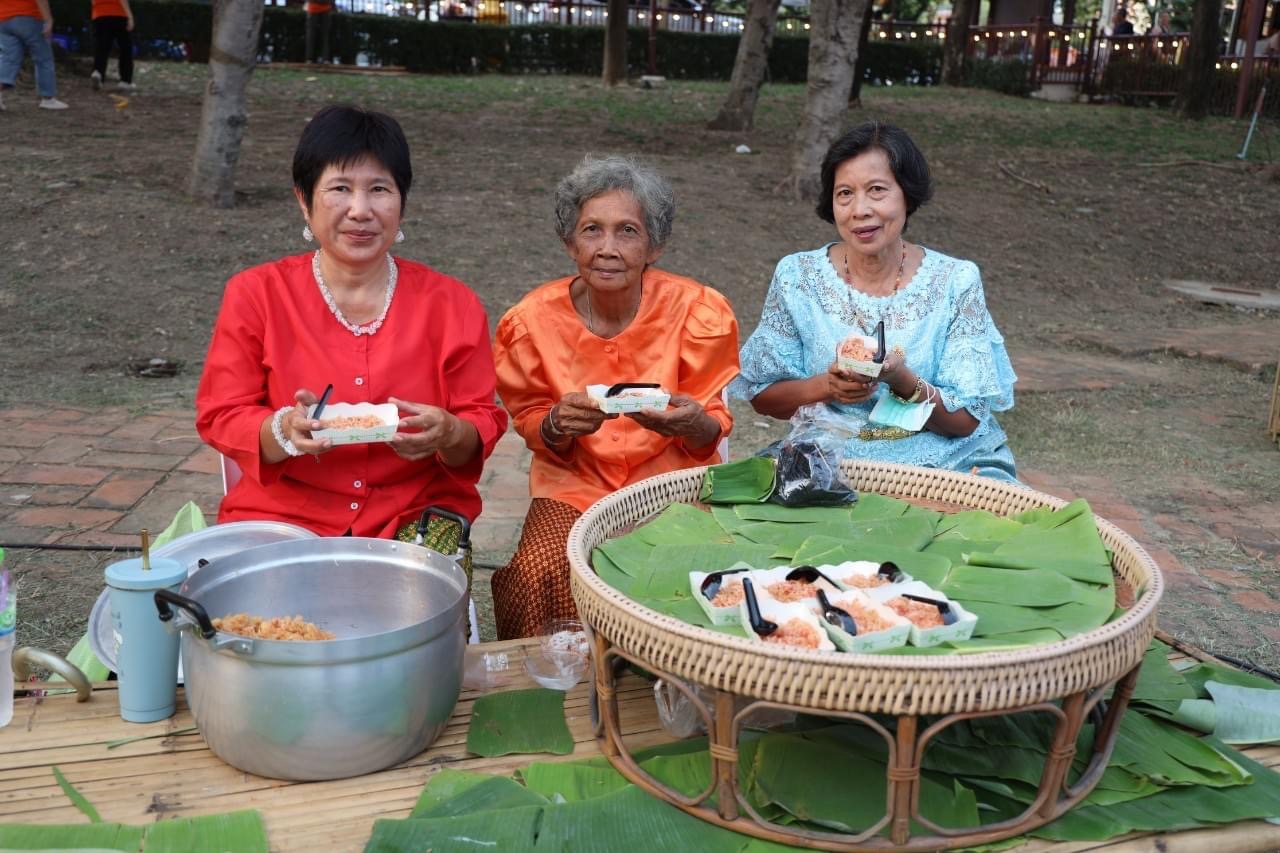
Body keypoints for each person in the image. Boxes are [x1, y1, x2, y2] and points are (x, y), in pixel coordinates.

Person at [196, 105, 507, 564]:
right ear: (304, 199)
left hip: (414, 512)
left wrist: (449, 432)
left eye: (379, 189)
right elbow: (222, 413)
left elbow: (478, 422)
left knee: (415, 602)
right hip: (282, 513)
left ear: (402, 200)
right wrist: (281, 429)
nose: (360, 211)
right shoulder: (256, 294)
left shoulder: (452, 303)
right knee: (263, 619)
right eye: (340, 189)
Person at [491, 156, 740, 639]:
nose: (608, 249)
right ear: (569, 241)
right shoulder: (530, 322)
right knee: (536, 569)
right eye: (591, 230)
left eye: (627, 231)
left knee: (699, 574)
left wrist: (690, 423)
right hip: (573, 486)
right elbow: (530, 422)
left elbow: (712, 426)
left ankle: (657, 691)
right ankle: (553, 688)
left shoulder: (698, 312)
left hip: (670, 487)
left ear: (655, 246)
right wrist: (555, 424)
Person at [730, 121, 1018, 482]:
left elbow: (965, 421)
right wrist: (827, 386)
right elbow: (763, 395)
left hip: (946, 465)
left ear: (907, 195)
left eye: (877, 190)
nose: (859, 210)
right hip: (827, 461)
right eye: (844, 193)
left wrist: (901, 379)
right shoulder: (797, 276)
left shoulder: (955, 282)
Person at [0, 0, 68, 110]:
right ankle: (48, 98)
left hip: (3, 19)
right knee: (43, 58)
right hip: (29, 16)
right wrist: (48, 20)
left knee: (8, 59)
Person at [89, 0, 135, 93]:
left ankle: (98, 72)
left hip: (99, 14)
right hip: (119, 13)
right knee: (125, 48)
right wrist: (130, 16)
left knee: (101, 47)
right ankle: (125, 81)